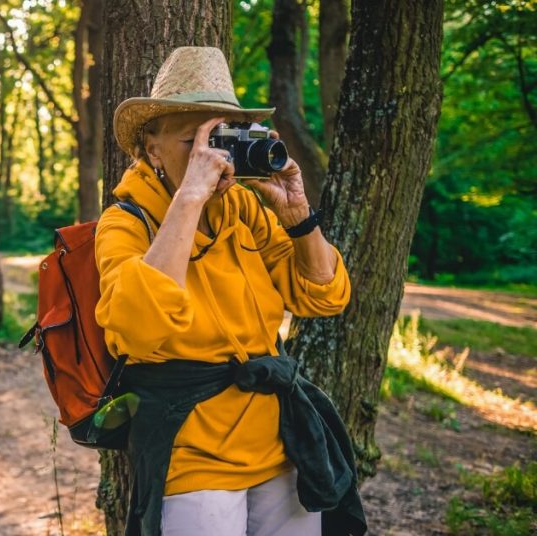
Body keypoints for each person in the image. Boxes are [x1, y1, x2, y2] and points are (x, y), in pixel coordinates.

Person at [95, 47, 366, 535]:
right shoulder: (124, 222)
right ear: (151, 147)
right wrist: (190, 197)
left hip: (275, 438)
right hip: (193, 446)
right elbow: (136, 330)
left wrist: (299, 217)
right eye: (195, 143)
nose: (214, 158)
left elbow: (324, 298)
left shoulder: (243, 208)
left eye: (221, 139)